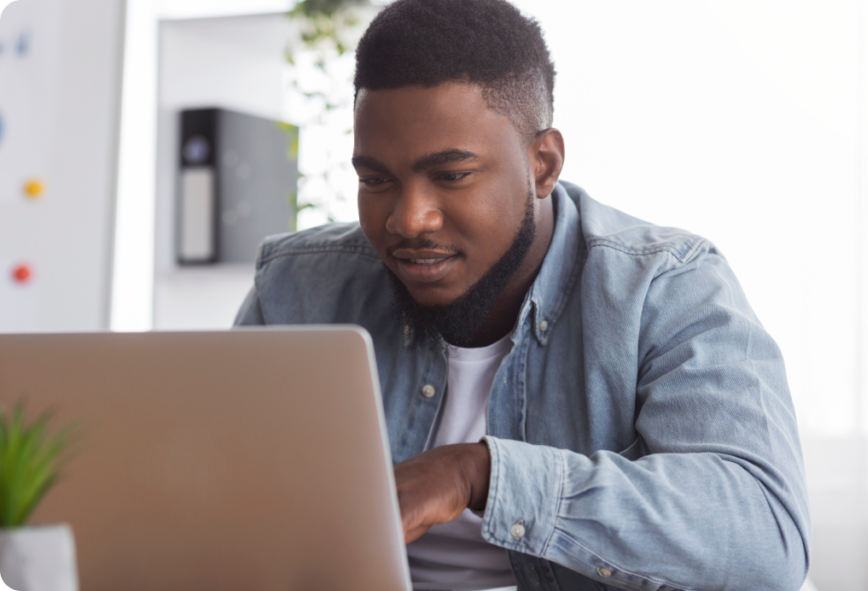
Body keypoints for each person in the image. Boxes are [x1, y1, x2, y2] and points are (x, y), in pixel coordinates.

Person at [235, 0, 810, 589]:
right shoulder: (296, 288)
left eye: (452, 175)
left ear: (543, 164)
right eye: (376, 180)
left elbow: (765, 536)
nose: (409, 220)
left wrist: (479, 473)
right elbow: (212, 493)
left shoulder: (664, 285)